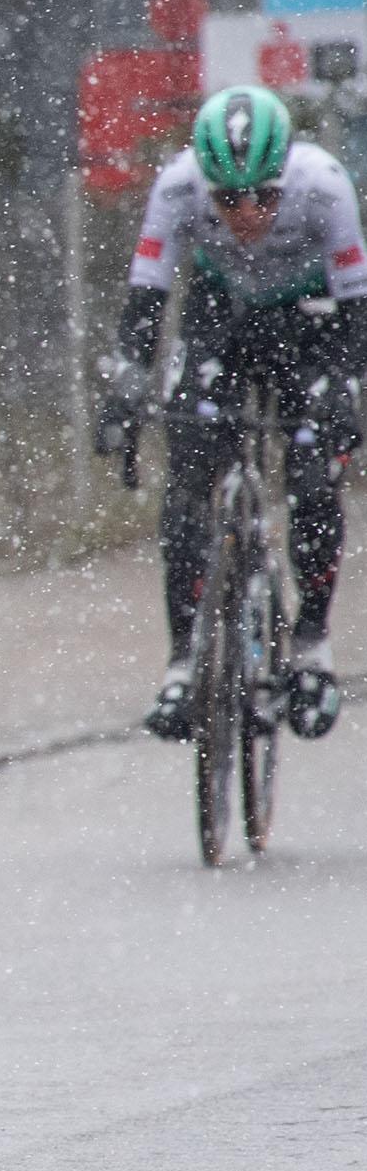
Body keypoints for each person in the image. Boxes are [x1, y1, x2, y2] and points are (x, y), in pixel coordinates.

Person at [98, 84, 367, 742]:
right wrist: (125, 392)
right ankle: (183, 662)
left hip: (312, 323)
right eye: (229, 198)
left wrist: (346, 392)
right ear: (205, 183)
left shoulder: (325, 186)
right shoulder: (177, 187)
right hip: (224, 315)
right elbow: (146, 302)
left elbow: (357, 311)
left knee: (312, 475)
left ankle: (310, 649)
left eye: (264, 196)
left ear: (285, 178)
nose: (247, 212)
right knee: (189, 475)